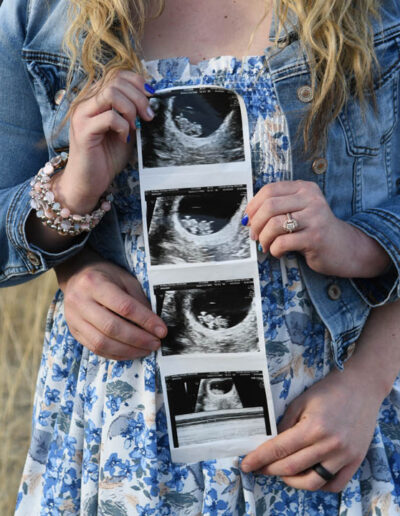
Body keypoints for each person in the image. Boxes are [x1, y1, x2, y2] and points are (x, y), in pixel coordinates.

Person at [0, 0, 399, 513]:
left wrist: (360, 254)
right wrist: (72, 209)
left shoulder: (374, 11)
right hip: (128, 437)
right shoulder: (40, 15)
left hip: (329, 424)